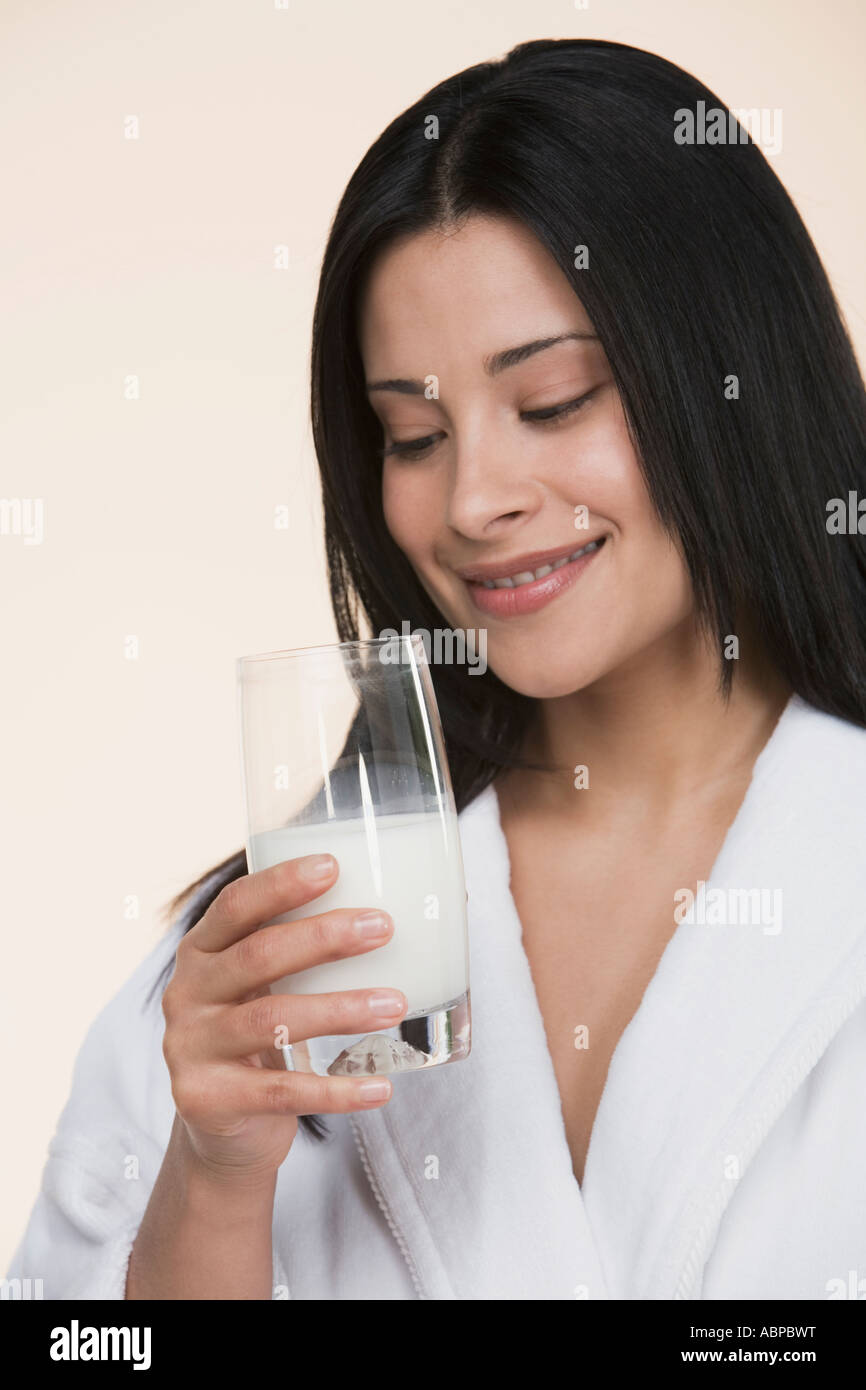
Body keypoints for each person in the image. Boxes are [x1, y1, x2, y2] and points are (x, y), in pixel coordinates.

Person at [9, 37, 866, 1301]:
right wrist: (210, 1181)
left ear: (728, 379)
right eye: (411, 433)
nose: (470, 500)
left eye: (556, 399)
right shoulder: (258, 963)